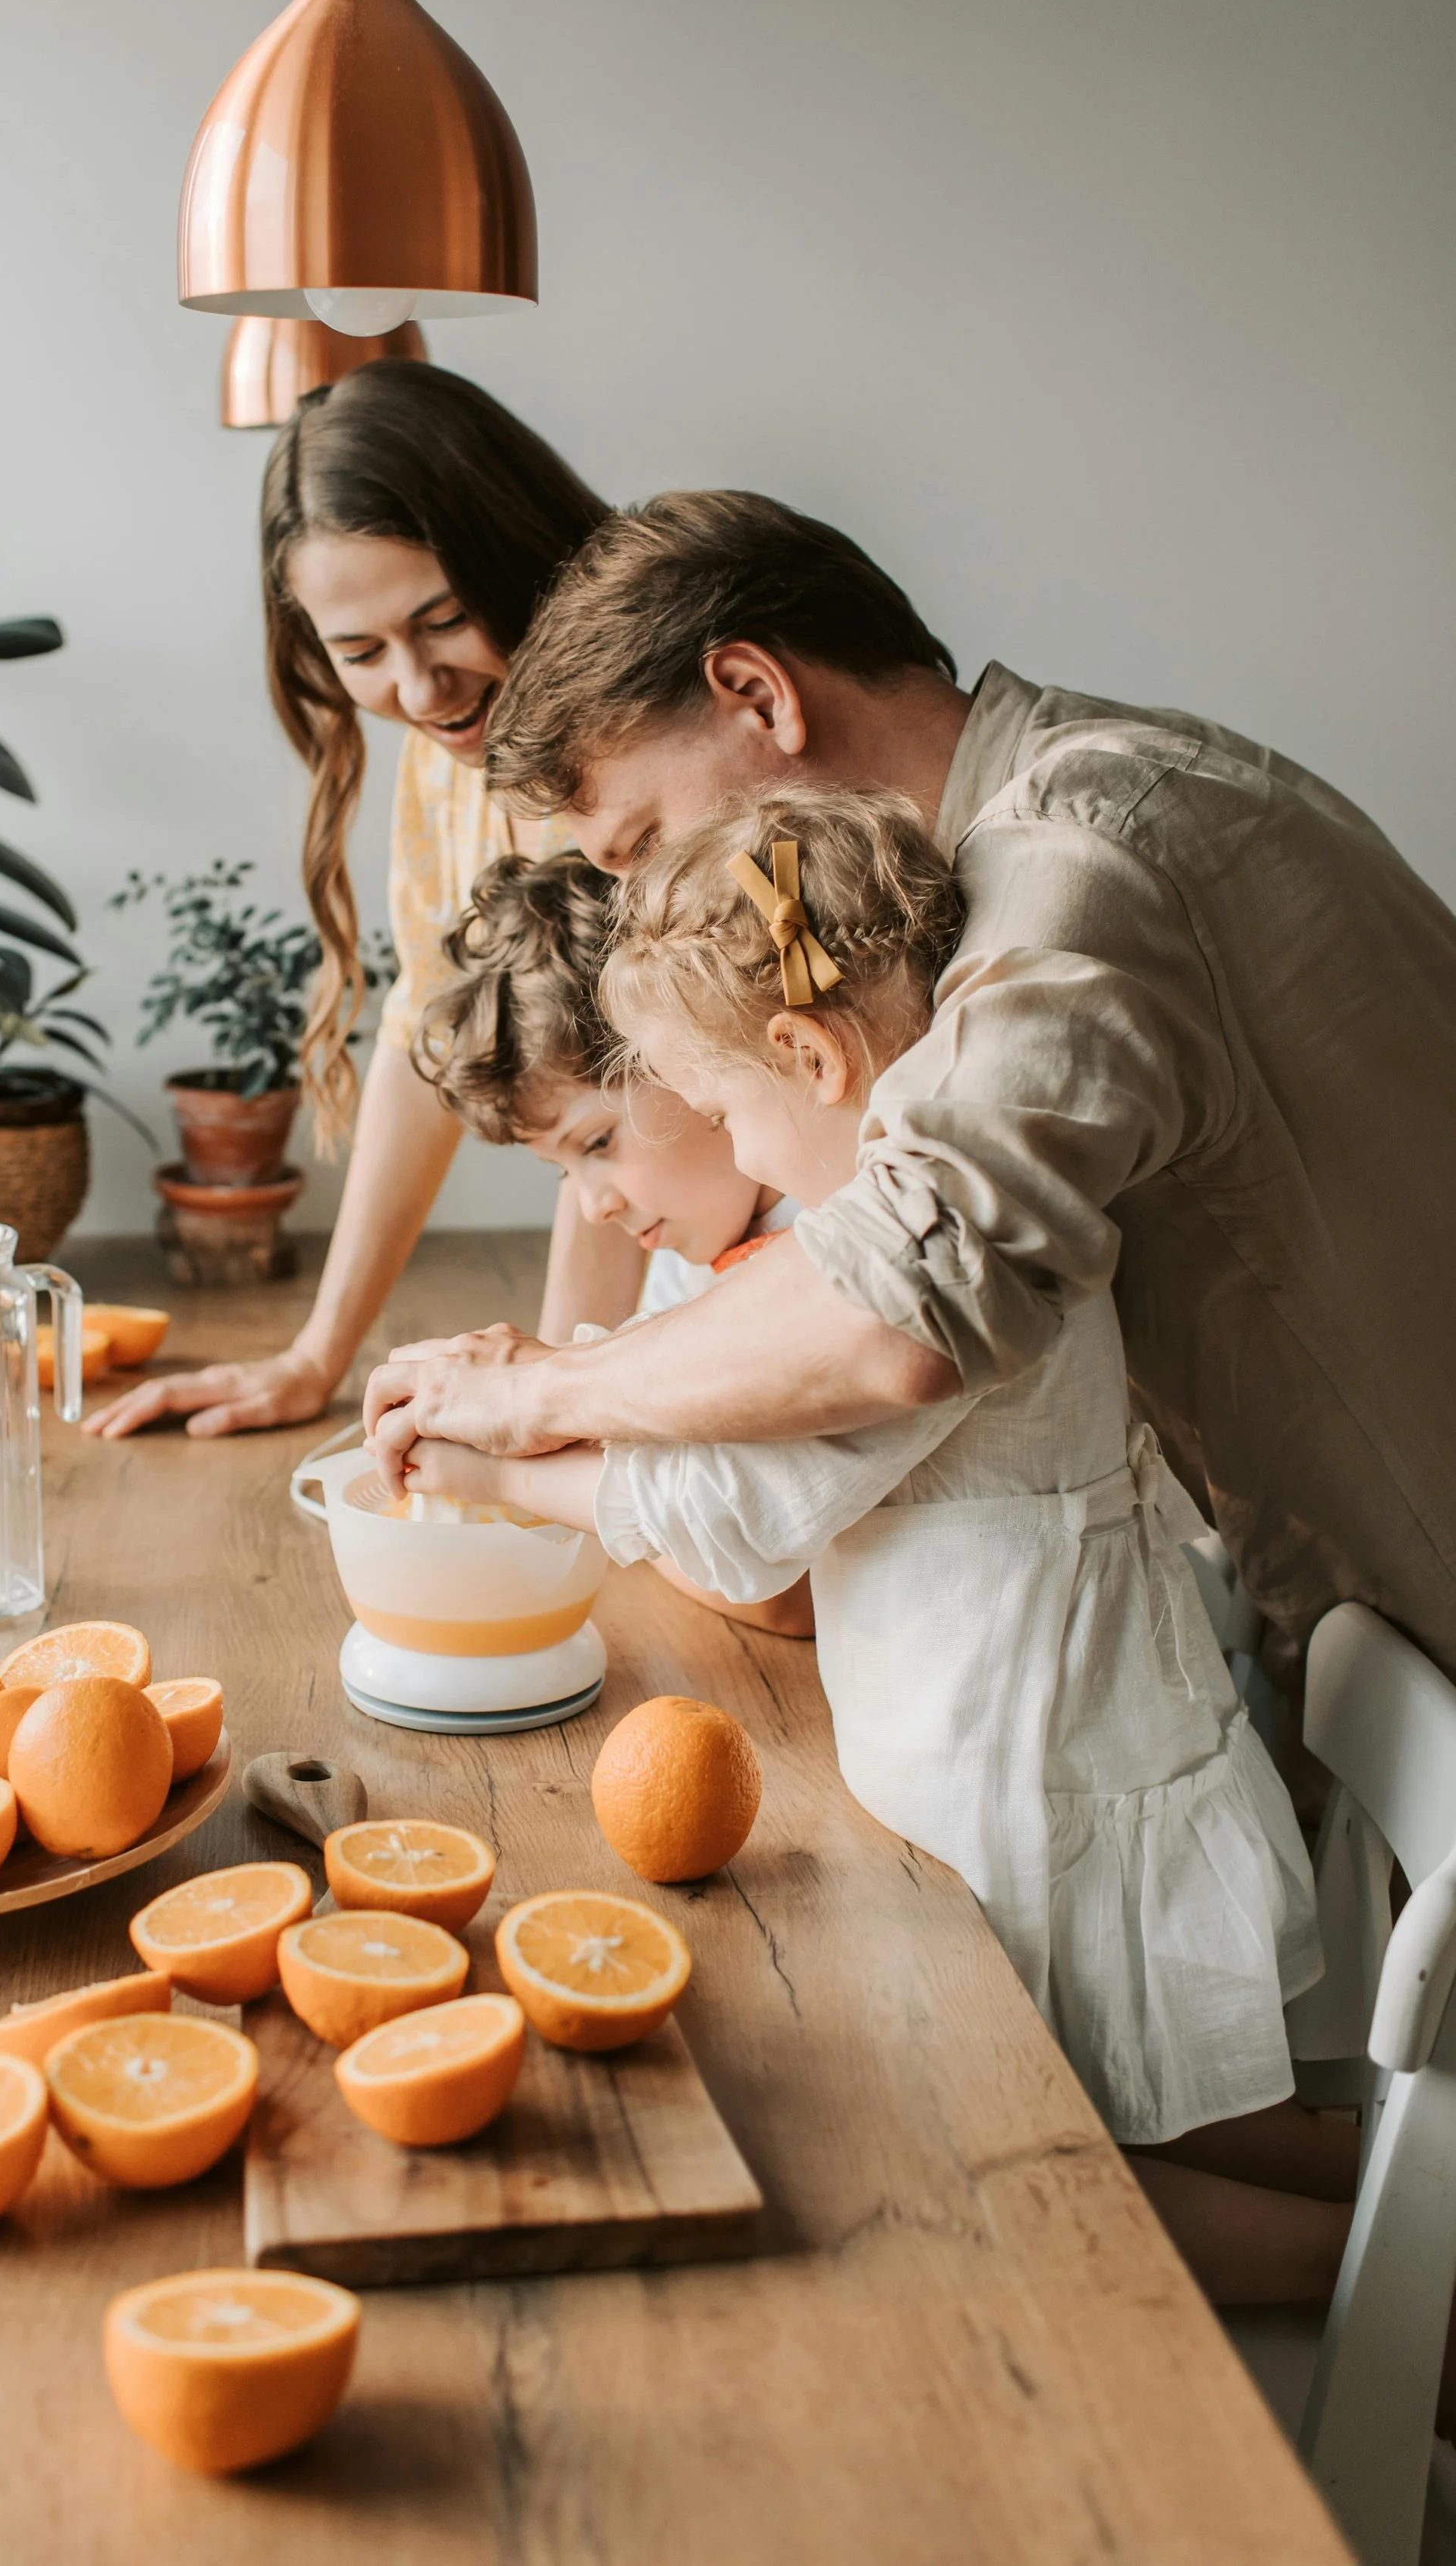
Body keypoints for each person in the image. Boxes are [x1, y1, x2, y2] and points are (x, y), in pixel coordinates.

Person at [403, 788, 1352, 2300]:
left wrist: (492, 1464)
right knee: (1166, 2125)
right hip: (1016, 1746)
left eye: (696, 1115)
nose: (639, 1179)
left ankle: (1405, 2329)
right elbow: (711, 1443)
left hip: (1034, 1772)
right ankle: (1400, 2262)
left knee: (1017, 2160)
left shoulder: (889, 1265)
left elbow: (734, 1520)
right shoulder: (830, 1214)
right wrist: (540, 1403)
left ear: (799, 1059)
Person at [364, 488, 1456, 1685]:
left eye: (641, 845)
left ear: (758, 695)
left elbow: (901, 1303)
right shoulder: (1014, 848)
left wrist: (541, 1391)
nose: (644, 907)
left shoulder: (1081, 856)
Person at [85, 363, 645, 1443]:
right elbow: (427, 1026)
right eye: (360, 653)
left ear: (514, 548)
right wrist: (315, 1355)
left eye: (443, 619)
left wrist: (560, 1402)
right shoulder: (454, 746)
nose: (421, 689)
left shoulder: (638, 728)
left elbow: (632, 1086)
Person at [411, 844, 811, 1635]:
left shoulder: (832, 1225)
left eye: (595, 1144)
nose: (593, 1208)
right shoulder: (689, 1253)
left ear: (692, 1051)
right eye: (563, 1173)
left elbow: (779, 1593)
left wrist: (512, 1476)